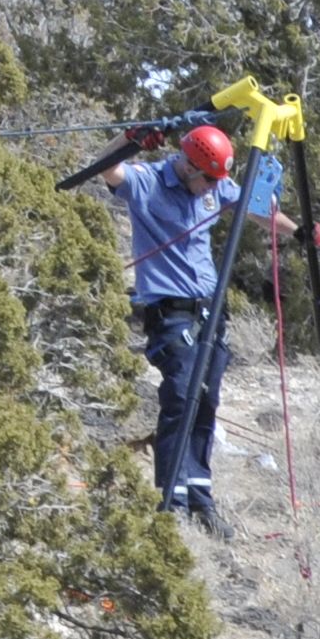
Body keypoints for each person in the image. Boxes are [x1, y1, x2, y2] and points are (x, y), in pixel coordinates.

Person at [102, 125, 240, 530]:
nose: (214, 188)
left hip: (211, 313)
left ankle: (201, 499)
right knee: (180, 399)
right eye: (209, 179)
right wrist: (127, 141)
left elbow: (251, 203)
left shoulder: (214, 185)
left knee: (206, 401)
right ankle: (172, 501)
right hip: (171, 314)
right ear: (188, 165)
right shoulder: (147, 183)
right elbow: (106, 170)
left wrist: (299, 231)